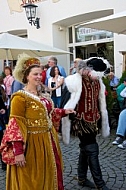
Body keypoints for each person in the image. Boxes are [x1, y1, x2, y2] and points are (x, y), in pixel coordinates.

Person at [0, 53, 75, 190]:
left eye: (40, 74)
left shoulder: (42, 96)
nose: (39, 77)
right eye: (35, 74)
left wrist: (64, 111)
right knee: (34, 179)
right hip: (32, 144)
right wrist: (18, 152)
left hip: (48, 141)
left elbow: (48, 114)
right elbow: (15, 125)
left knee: (51, 173)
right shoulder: (19, 98)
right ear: (26, 76)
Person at [61, 58, 110, 190]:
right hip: (80, 120)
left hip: (94, 120)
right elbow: (66, 101)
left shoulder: (98, 82)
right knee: (92, 150)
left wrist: (102, 118)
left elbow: (100, 101)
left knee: (85, 149)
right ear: (88, 70)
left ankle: (82, 178)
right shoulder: (74, 81)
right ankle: (100, 184)